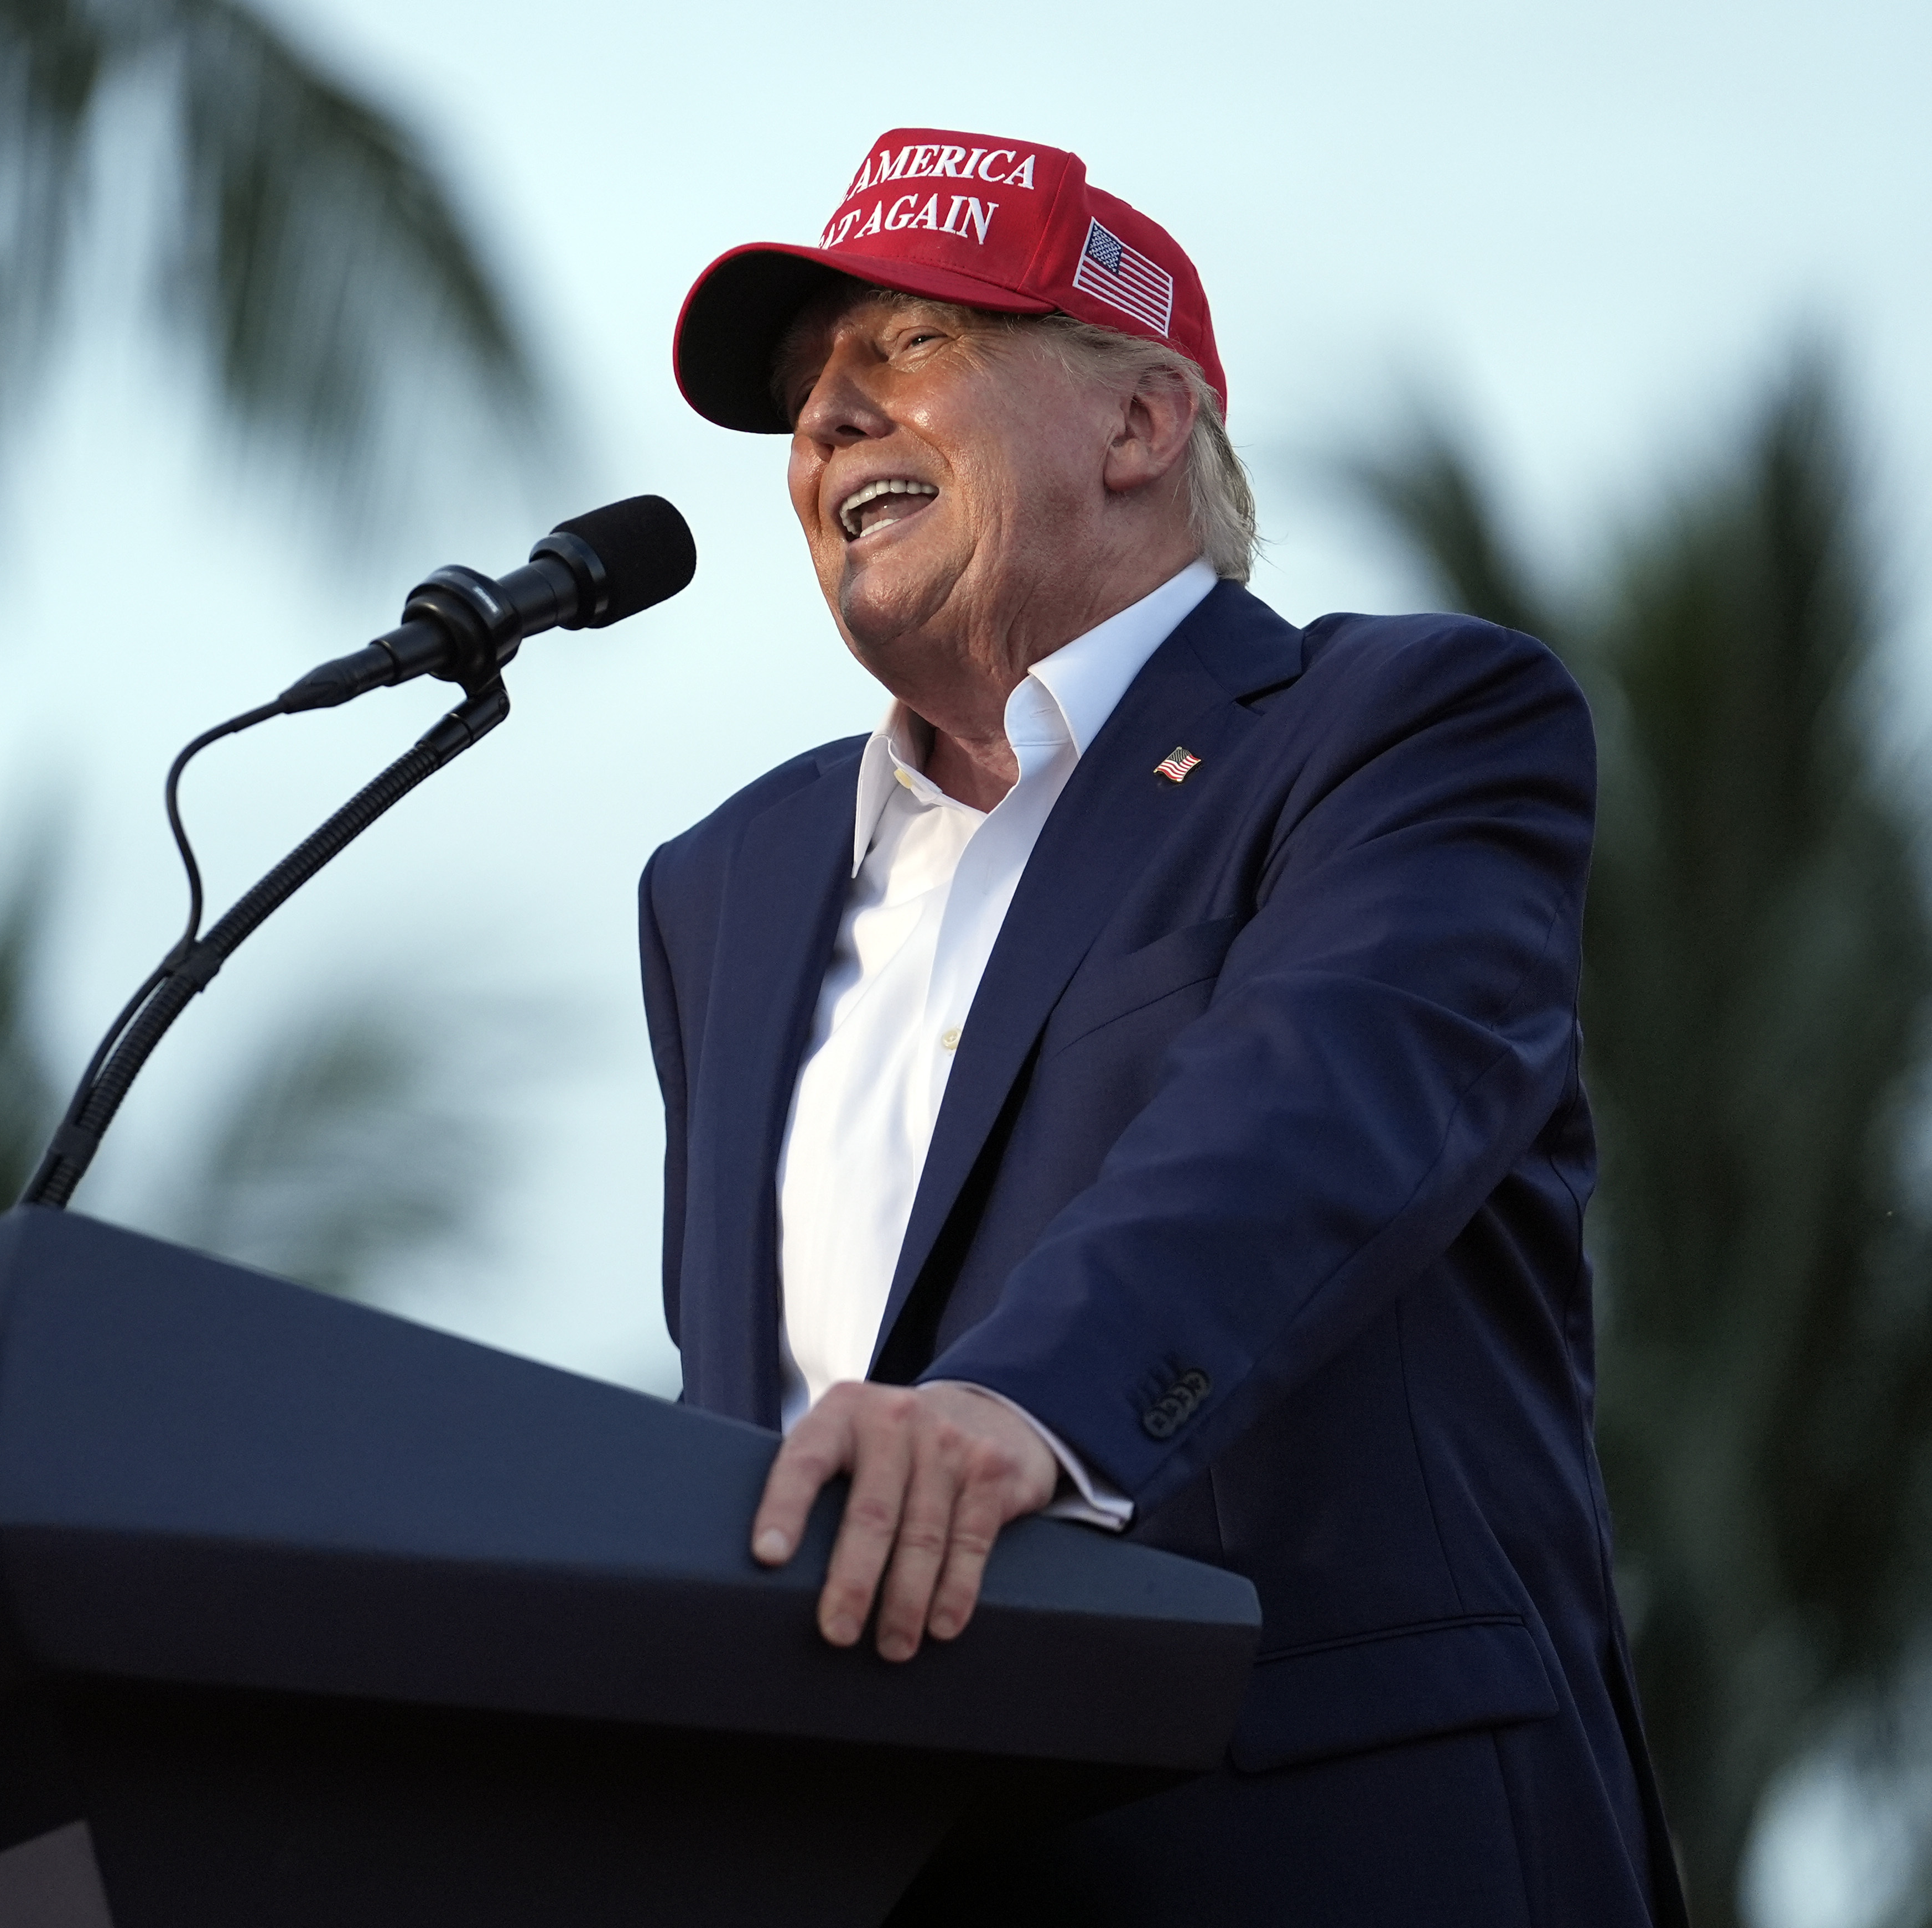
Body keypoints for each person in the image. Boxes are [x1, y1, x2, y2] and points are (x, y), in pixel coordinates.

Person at [642, 127, 1685, 1925]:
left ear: (1138, 425)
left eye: (908, 349)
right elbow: (744, 1410)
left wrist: (1017, 1408)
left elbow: (1315, 1109)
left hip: (1320, 1846)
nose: (827, 423)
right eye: (810, 392)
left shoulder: (1403, 725)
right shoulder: (718, 884)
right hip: (850, 1866)